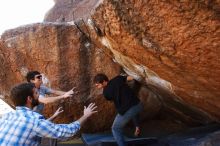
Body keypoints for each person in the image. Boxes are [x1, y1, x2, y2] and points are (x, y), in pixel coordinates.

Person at [0, 83, 97, 145]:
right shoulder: (34, 120)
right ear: (29, 99)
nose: (39, 95)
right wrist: (85, 115)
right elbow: (67, 131)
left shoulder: (7, 116)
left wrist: (54, 115)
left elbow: (31, 127)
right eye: (36, 93)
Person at [93, 73, 143, 146]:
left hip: (127, 109)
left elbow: (110, 97)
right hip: (139, 105)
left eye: (98, 85)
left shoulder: (105, 93)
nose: (97, 87)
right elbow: (131, 78)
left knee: (115, 128)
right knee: (133, 111)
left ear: (104, 81)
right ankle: (137, 126)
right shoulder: (117, 79)